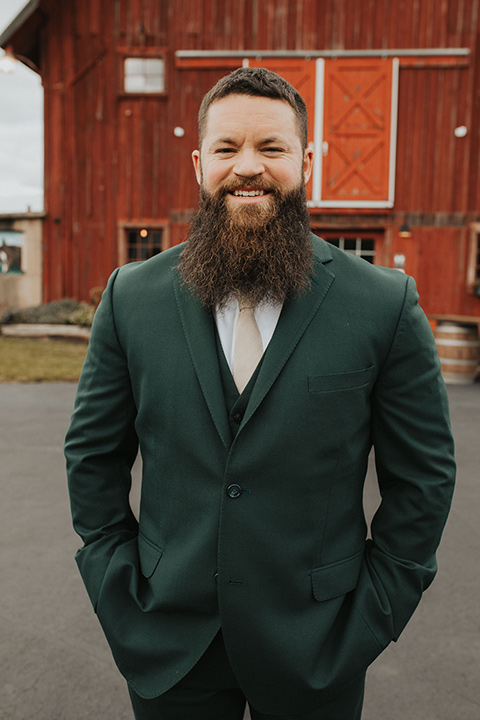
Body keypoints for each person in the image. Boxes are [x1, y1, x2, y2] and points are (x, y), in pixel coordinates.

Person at [65, 67, 456, 720]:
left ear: (306, 160)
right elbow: (91, 459)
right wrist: (117, 594)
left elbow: (424, 479)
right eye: (227, 148)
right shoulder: (130, 297)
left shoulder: (384, 303)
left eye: (271, 148)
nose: (248, 166)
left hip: (320, 645)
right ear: (199, 163)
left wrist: (373, 616)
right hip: (169, 644)